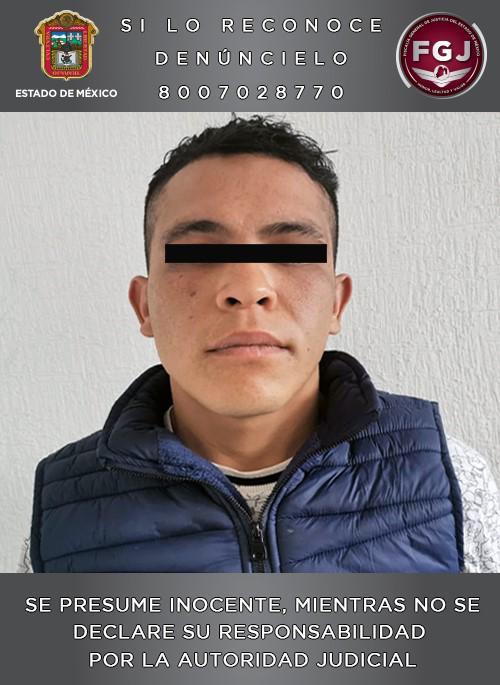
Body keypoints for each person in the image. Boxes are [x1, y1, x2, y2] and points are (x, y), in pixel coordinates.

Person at [20, 115, 499, 573]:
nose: (248, 287)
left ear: (336, 303)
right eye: (198, 254)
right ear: (144, 306)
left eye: (292, 252)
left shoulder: (450, 479)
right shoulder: (61, 516)